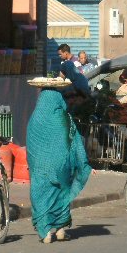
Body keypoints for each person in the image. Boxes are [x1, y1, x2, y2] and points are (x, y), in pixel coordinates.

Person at [26, 89, 92, 243]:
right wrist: (80, 161)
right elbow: (74, 141)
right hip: (62, 165)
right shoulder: (65, 118)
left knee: (41, 194)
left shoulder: (35, 118)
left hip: (40, 165)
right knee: (62, 193)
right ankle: (61, 230)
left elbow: (31, 144)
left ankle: (46, 232)